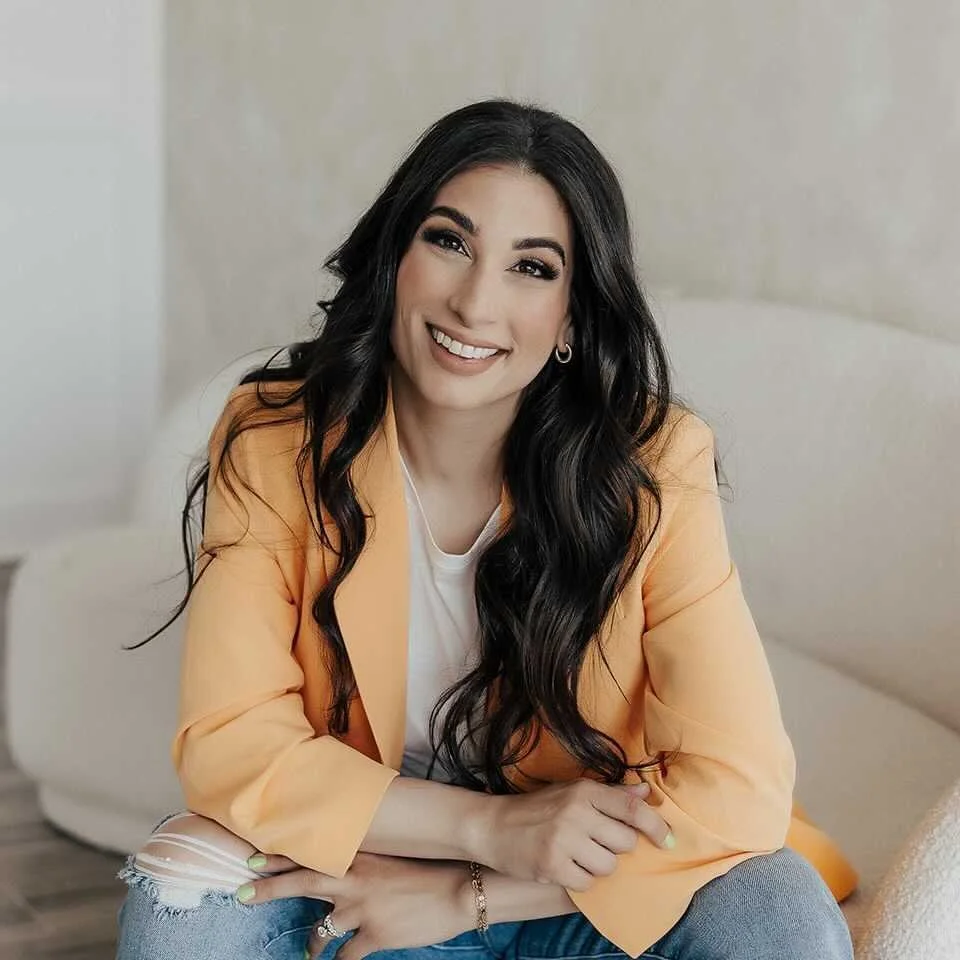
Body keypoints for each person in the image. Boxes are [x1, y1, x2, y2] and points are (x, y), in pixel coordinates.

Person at [115, 99, 856, 960]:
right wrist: (485, 830)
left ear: (575, 315)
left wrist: (475, 895)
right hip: (364, 850)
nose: (475, 302)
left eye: (533, 269)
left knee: (777, 913)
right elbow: (231, 742)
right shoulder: (276, 437)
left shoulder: (654, 464)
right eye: (449, 241)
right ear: (397, 255)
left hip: (576, 882)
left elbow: (737, 785)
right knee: (184, 899)